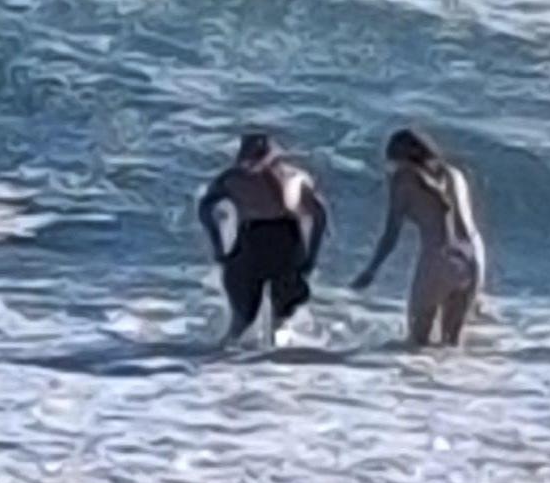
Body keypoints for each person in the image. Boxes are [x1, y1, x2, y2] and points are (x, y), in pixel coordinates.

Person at [354, 125, 487, 348]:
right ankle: (453, 381)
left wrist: (371, 270)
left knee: (417, 342)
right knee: (452, 343)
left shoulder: (404, 179)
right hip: (473, 257)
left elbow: (391, 234)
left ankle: (418, 381)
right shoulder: (454, 174)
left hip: (440, 257)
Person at [199, 127, 329, 347]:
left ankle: (269, 358)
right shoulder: (233, 179)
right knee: (244, 315)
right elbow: (206, 208)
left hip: (282, 239)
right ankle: (229, 355)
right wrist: (217, 244)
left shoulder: (291, 177)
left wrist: (311, 255)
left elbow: (318, 215)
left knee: (278, 314)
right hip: (260, 239)